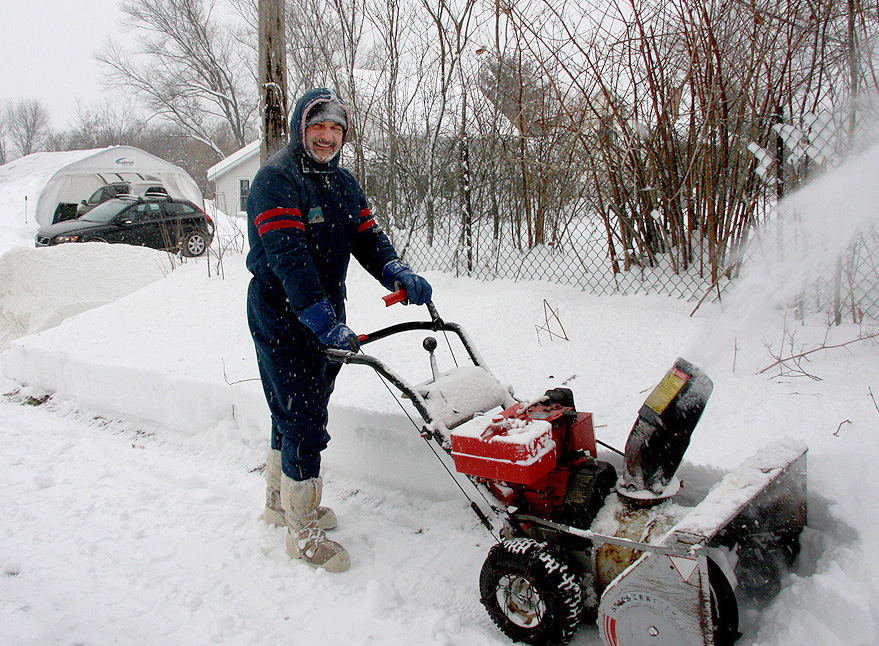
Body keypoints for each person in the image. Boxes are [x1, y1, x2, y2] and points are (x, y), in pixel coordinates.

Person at [245, 88, 432, 572]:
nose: (327, 137)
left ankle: (278, 502)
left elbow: (368, 236)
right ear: (299, 129)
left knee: (294, 407)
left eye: (335, 129)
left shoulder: (342, 183)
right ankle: (300, 529)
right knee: (302, 417)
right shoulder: (275, 181)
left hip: (325, 314)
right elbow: (289, 260)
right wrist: (323, 321)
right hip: (283, 314)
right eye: (317, 127)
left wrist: (396, 271)